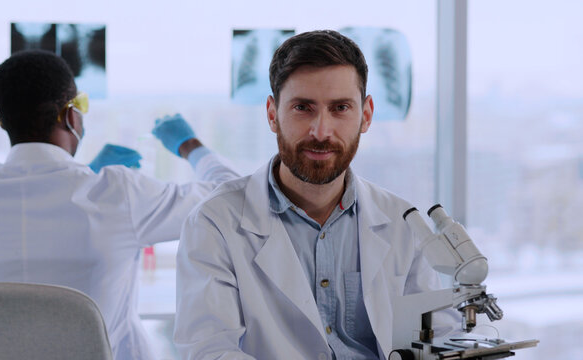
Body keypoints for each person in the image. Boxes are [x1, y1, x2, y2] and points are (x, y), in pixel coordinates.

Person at [174, 30, 457, 359]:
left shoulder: (402, 221)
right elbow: (209, 352)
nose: (321, 132)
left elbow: (439, 340)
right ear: (271, 114)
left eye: (340, 108)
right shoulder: (214, 223)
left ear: (365, 115)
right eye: (302, 108)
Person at [0, 50, 238, 360]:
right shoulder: (117, 194)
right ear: (70, 116)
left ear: (2, 122)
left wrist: (89, 175)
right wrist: (190, 146)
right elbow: (230, 198)